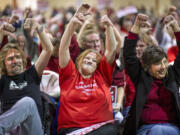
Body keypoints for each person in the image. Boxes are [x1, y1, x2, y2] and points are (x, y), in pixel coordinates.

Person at [58, 4, 117, 135]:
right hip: (72, 128)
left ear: (98, 66)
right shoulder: (69, 75)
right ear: (79, 61)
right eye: (86, 58)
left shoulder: (102, 75)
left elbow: (111, 50)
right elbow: (63, 48)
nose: (90, 60)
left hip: (102, 128)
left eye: (93, 60)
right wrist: (72, 25)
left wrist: (108, 26)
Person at [122, 13, 180, 135]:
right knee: (156, 130)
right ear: (147, 67)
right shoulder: (141, 77)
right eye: (158, 64)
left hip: (172, 128)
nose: (164, 67)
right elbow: (129, 56)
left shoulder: (173, 75)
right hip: (146, 129)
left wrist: (176, 28)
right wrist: (136, 26)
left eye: (165, 62)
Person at [0, 17, 53, 135]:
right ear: (4, 64)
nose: (15, 61)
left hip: (32, 130)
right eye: (10, 59)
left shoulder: (32, 74)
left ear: (23, 60)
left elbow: (48, 49)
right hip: (9, 131)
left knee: (28, 103)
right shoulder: (3, 80)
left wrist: (39, 28)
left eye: (18, 57)